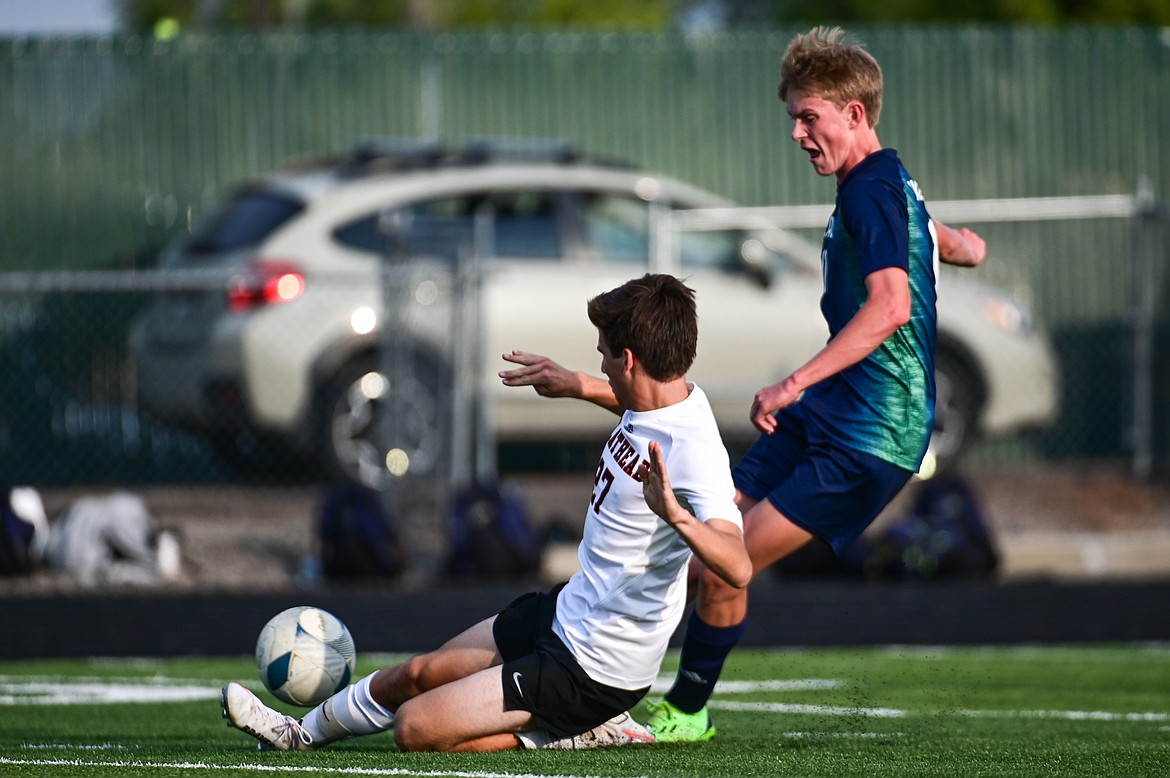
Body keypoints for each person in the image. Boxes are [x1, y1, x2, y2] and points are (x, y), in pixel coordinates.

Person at [499, 25, 987, 743]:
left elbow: (891, 307)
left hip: (871, 435)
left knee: (723, 564)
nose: (796, 132)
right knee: (709, 522)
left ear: (855, 116)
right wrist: (953, 244)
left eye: (808, 115)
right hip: (833, 414)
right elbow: (958, 243)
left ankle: (685, 712)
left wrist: (790, 384)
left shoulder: (872, 192)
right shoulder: (886, 186)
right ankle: (608, 676)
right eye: (792, 116)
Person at [221, 273, 751, 753]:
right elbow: (642, 406)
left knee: (416, 730)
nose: (601, 365)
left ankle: (585, 729)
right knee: (421, 673)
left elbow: (738, 565)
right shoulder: (669, 398)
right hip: (568, 613)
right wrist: (576, 385)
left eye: (604, 356)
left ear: (630, 359)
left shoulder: (696, 453)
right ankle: (297, 735)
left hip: (596, 669)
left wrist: (678, 517)